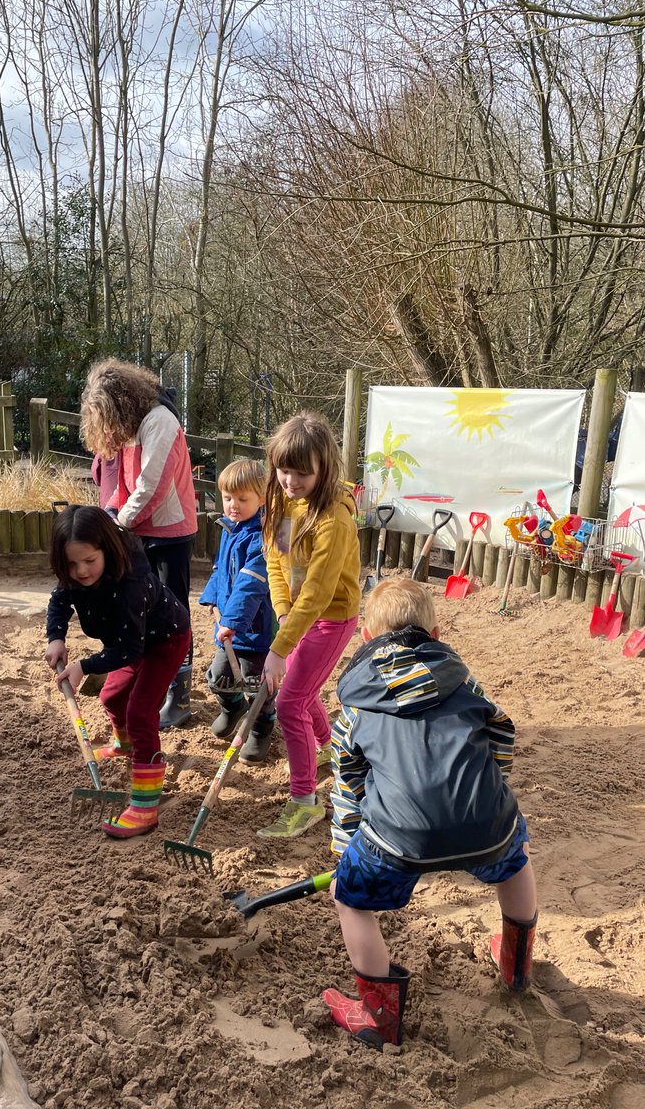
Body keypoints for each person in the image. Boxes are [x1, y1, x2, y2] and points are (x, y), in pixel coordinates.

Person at [323, 577, 538, 1050]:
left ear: (364, 639)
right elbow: (502, 730)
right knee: (515, 853)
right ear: (436, 634)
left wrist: (345, 850)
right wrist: (494, 788)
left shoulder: (356, 709)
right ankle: (517, 966)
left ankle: (379, 1017)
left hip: (400, 838)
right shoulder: (465, 682)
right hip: (485, 821)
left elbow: (349, 787)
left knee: (351, 899)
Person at [45, 504, 191, 838]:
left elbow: (128, 652)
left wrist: (84, 665)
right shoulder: (75, 576)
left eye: (89, 561)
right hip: (132, 640)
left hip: (166, 641)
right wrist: (56, 638)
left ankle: (145, 808)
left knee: (141, 713)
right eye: (71, 564)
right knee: (111, 697)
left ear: (107, 550)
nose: (81, 571)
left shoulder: (130, 585)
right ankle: (125, 744)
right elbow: (59, 600)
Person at [257, 412, 361, 839]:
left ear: (325, 469)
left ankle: (305, 801)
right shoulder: (282, 504)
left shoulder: (334, 520)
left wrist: (280, 649)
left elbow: (318, 593)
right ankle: (327, 748)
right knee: (301, 692)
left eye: (302, 473)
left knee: (289, 703)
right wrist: (283, 617)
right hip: (298, 617)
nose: (290, 481)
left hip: (331, 618)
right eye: (284, 470)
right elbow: (277, 564)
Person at [80, 359, 197, 729]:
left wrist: (118, 523)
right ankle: (142, 679)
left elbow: (152, 486)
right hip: (140, 530)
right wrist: (113, 513)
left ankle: (179, 696)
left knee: (174, 615)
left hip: (170, 532)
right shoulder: (132, 427)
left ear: (121, 401)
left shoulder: (160, 421)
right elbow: (122, 483)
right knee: (141, 608)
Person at [199, 459, 276, 762]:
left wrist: (232, 621)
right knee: (219, 677)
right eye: (228, 497)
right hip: (227, 624)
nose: (233, 505)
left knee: (258, 685)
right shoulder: (229, 528)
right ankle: (232, 707)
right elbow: (220, 569)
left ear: (262, 499)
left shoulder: (263, 537)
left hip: (254, 627)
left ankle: (260, 727)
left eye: (243, 499)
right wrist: (212, 598)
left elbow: (251, 583)